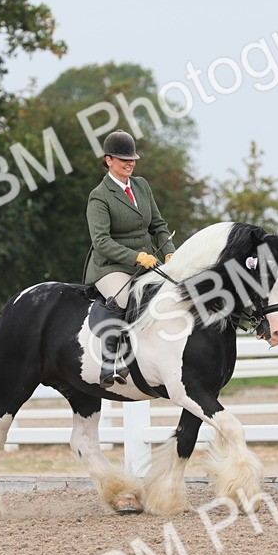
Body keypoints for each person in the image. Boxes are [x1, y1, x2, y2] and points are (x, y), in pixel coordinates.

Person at [84, 130, 176, 386]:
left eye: (132, 158)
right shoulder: (99, 196)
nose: (130, 163)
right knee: (126, 299)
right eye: (124, 159)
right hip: (110, 266)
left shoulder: (141, 186)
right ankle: (109, 361)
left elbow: (158, 225)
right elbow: (101, 242)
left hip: (148, 262)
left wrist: (169, 250)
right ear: (108, 160)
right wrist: (137, 257)